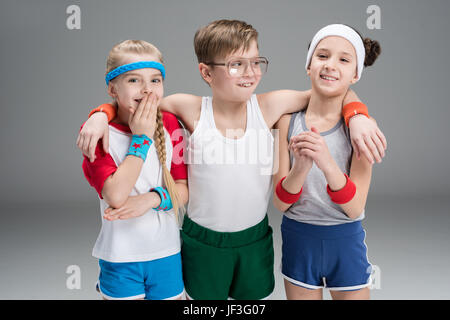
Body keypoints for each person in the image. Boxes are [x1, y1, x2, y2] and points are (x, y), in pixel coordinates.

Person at [77, 20, 386, 300]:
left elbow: (331, 88)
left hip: (253, 243)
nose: (250, 72)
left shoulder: (268, 106)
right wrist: (99, 115)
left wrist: (358, 115)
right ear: (206, 72)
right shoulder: (189, 108)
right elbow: (136, 104)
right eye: (236, 64)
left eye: (255, 62)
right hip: (203, 242)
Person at [273, 24, 381, 300]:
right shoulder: (287, 122)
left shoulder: (363, 130)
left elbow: (355, 207)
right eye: (322, 56)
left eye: (344, 59)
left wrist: (326, 162)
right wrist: (300, 169)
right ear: (309, 66)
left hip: (344, 240)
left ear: (355, 74)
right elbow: (280, 202)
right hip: (299, 239)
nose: (330, 65)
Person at [81, 40, 189, 300]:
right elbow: (116, 197)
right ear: (112, 88)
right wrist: (141, 139)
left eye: (155, 80)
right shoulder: (98, 133)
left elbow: (183, 189)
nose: (147, 90)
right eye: (133, 80)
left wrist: (151, 199)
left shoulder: (171, 123)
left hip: (167, 254)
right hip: (121, 258)